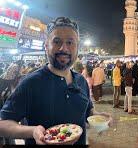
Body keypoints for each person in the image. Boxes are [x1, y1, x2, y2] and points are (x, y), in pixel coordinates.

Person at [0, 17, 111, 145]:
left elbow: (87, 110)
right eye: (57, 41)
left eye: (70, 42)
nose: (63, 48)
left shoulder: (81, 81)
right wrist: (32, 131)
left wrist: (96, 116)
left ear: (77, 47)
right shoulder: (30, 83)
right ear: (46, 46)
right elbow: (3, 124)